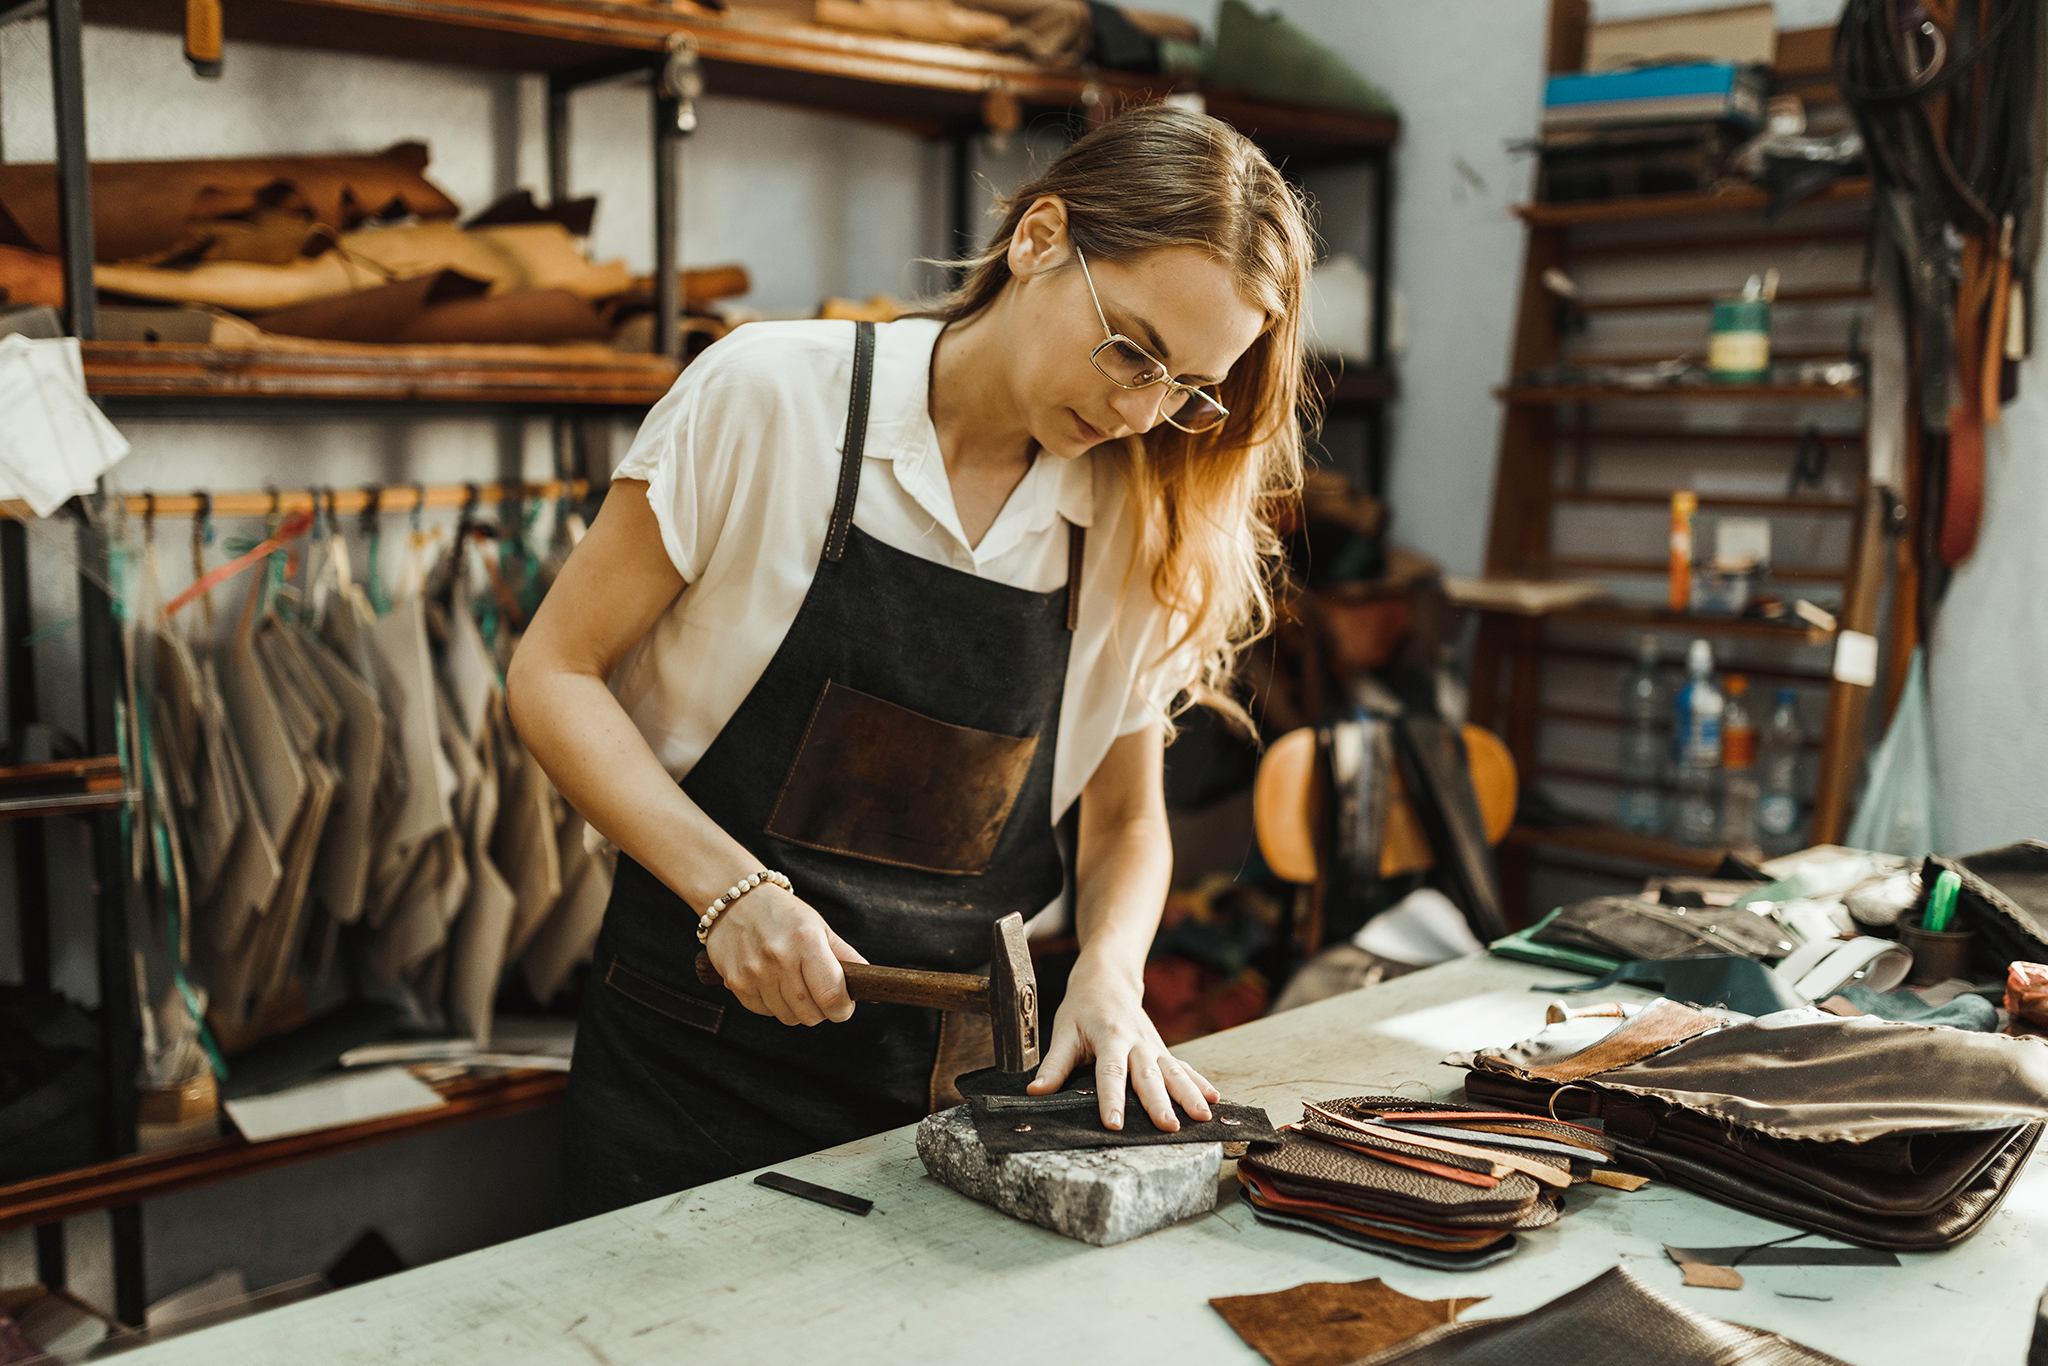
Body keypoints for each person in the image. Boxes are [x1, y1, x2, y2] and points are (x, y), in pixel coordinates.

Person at [509, 104, 1315, 1218]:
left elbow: (1127, 819)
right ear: (1038, 239)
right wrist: (728, 888)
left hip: (963, 1098)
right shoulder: (772, 398)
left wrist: (1110, 978)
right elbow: (551, 674)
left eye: (1183, 387)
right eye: (1130, 348)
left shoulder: (1135, 516)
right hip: (684, 1064)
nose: (1138, 412)